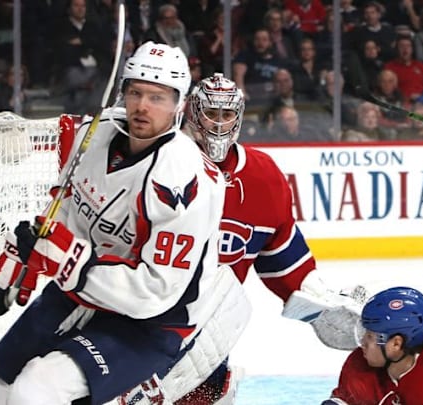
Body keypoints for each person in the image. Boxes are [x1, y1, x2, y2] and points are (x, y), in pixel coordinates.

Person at [0, 41, 234, 405]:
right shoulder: (92, 135)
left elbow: (155, 291)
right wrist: (33, 247)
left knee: (35, 390)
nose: (142, 106)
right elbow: (68, 204)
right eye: (136, 92)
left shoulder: (187, 181)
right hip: (79, 290)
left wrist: (71, 263)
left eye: (157, 97)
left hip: (152, 322)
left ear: (179, 105)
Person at [120, 73, 364, 404]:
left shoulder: (262, 178)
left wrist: (320, 305)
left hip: (206, 328)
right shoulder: (160, 160)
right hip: (137, 314)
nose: (219, 124)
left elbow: (282, 258)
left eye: (227, 115)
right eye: (211, 114)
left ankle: (215, 390)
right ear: (193, 112)